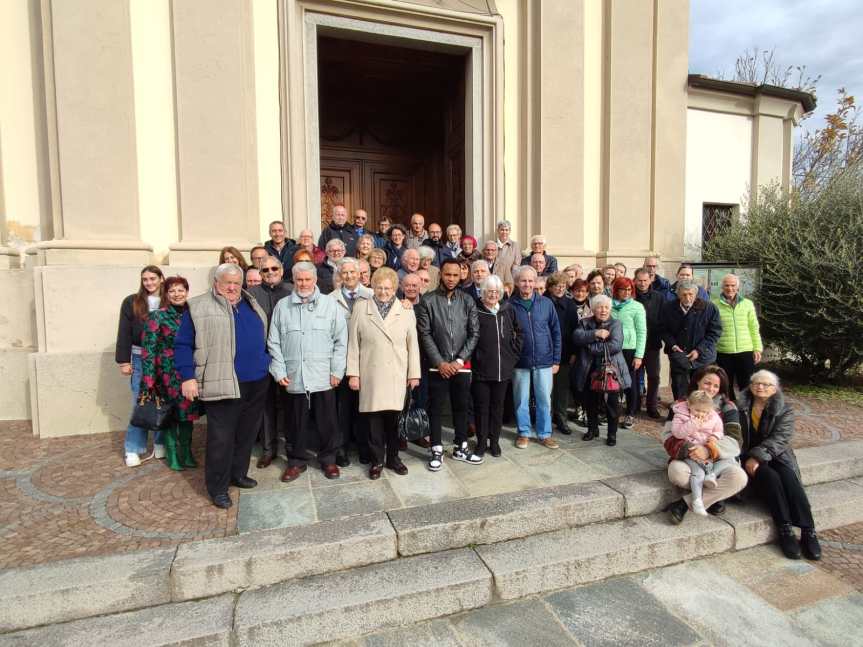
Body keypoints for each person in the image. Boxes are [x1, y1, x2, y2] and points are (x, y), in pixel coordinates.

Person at [175, 263, 270, 509]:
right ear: (216, 283)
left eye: (236, 283)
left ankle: (237, 474)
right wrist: (187, 376)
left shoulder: (250, 303)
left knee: (247, 434)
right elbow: (183, 344)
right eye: (227, 282)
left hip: (256, 381)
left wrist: (265, 362)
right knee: (221, 438)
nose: (232, 287)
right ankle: (218, 487)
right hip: (222, 381)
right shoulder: (198, 307)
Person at [269, 262, 347, 482]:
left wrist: (337, 371)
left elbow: (341, 341)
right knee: (295, 422)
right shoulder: (282, 307)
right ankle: (296, 461)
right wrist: (279, 369)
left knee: (327, 421)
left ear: (315, 280)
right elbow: (273, 341)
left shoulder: (330, 305)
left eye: (307, 279)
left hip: (323, 374)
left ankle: (328, 459)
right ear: (293, 280)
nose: (303, 283)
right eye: (299, 280)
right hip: (294, 374)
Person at [736, 370, 822, 560]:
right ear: (750, 386)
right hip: (747, 455)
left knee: (789, 478)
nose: (761, 387)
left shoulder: (784, 409)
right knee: (770, 478)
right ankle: (785, 528)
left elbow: (781, 438)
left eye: (767, 384)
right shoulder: (739, 406)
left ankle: (809, 530)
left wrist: (758, 457)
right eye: (757, 383)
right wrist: (751, 458)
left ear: (775, 388)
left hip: (777, 455)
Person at [347, 267, 421, 479]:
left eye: (388, 288)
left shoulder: (406, 309)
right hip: (370, 373)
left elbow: (413, 345)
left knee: (394, 420)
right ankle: (377, 460)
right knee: (373, 422)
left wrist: (413, 374)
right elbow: (353, 343)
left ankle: (394, 458)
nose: (383, 291)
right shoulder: (362, 308)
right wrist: (353, 373)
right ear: (372, 286)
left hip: (397, 373)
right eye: (379, 287)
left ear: (395, 288)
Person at [415, 258, 480, 471]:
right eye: (447, 274)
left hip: (462, 366)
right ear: (440, 275)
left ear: (461, 275)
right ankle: (436, 448)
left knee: (461, 407)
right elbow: (424, 333)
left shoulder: (467, 300)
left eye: (455, 274)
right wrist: (440, 362)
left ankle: (460, 446)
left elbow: (474, 333)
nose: (451, 278)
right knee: (436, 408)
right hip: (437, 366)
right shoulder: (428, 300)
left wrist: (459, 360)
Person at [663, 365, 749, 524]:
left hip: (718, 460)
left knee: (739, 477)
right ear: (697, 382)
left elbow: (735, 441)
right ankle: (715, 496)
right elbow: (668, 437)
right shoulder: (681, 404)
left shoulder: (728, 407)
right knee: (676, 473)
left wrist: (709, 450)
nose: (711, 388)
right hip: (689, 458)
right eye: (707, 383)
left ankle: (683, 505)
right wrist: (692, 450)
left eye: (716, 385)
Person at [140, 276, 203, 471]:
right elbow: (148, 349)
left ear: (187, 291)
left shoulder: (193, 313)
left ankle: (186, 451)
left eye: (181, 290)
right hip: (165, 374)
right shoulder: (157, 316)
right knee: (171, 416)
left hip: (187, 373)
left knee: (188, 414)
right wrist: (149, 379)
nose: (177, 294)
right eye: (172, 291)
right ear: (166, 294)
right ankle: (173, 454)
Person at [116, 265, 166, 467]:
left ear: (161, 279)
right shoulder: (132, 302)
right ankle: (133, 448)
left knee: (163, 401)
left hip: (164, 359)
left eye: (153, 278)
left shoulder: (169, 299)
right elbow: (124, 331)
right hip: (140, 358)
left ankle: (161, 443)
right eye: (145, 279)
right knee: (141, 402)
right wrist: (124, 361)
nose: (149, 283)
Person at [247, 256, 293, 468]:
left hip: (290, 357)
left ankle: (293, 449)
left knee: (291, 404)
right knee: (266, 407)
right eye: (265, 270)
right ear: (260, 272)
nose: (270, 272)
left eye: (274, 268)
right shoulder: (251, 295)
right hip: (263, 357)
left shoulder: (293, 290)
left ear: (282, 270)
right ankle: (269, 449)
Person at [471, 275, 522, 460]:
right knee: (481, 408)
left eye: (496, 292)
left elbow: (519, 332)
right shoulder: (475, 310)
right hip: (481, 370)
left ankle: (494, 442)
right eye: (489, 291)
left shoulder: (508, 310)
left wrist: (513, 355)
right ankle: (481, 442)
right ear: (483, 293)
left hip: (503, 369)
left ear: (500, 293)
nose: (493, 295)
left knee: (497, 408)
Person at [510, 266, 561, 449]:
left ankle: (544, 434)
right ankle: (523, 433)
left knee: (544, 399)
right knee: (521, 399)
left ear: (535, 282)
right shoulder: (510, 305)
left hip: (544, 361)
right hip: (520, 362)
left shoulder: (546, 303)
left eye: (531, 280)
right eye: (523, 280)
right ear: (517, 282)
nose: (527, 284)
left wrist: (556, 359)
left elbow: (556, 332)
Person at [329, 258, 373, 467]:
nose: (348, 276)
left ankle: (365, 448)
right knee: (342, 409)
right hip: (341, 362)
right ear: (340, 275)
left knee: (365, 408)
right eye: (344, 273)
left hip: (366, 362)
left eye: (352, 273)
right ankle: (341, 448)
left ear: (359, 274)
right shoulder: (330, 299)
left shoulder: (371, 295)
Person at [571, 294, 629, 446]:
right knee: (590, 402)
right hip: (589, 368)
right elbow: (577, 337)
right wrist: (595, 333)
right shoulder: (585, 323)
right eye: (599, 307)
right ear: (593, 309)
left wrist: (590, 346)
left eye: (606, 307)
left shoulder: (616, 324)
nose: (603, 310)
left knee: (612, 404)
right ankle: (592, 429)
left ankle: (611, 434)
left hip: (611, 370)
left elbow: (615, 345)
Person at [659, 280, 722, 400]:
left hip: (703, 356)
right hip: (679, 354)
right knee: (679, 387)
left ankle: (702, 414)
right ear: (678, 294)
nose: (687, 298)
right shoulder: (668, 308)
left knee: (703, 388)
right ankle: (679, 413)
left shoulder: (709, 308)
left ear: (696, 294)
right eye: (684, 294)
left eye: (690, 294)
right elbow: (663, 330)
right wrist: (672, 345)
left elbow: (715, 332)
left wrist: (699, 350)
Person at [670, 390, 730, 515]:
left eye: (705, 412)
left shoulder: (713, 415)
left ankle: (705, 484)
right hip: (691, 451)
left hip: (707, 449)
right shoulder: (680, 415)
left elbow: (719, 429)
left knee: (726, 462)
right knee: (699, 472)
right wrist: (693, 424)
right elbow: (677, 433)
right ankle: (699, 496)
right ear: (689, 404)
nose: (701, 414)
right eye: (697, 410)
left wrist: (714, 437)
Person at [715, 273, 763, 396]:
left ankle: (746, 409)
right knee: (725, 384)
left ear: (738, 287)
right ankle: (729, 409)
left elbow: (754, 327)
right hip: (724, 351)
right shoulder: (714, 305)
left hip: (745, 350)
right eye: (726, 285)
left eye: (733, 285)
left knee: (747, 384)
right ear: (722, 287)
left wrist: (757, 348)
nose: (730, 288)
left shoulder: (747, 304)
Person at [610, 277, 646, 429]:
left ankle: (631, 413)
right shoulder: (609, 305)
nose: (626, 292)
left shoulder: (637, 306)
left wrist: (639, 355)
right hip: (612, 348)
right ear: (616, 290)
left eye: (629, 290)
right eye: (623, 289)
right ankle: (612, 412)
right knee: (612, 382)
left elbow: (642, 331)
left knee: (629, 383)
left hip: (629, 349)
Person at [546, 272, 578, 435]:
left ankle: (561, 419)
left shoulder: (570, 305)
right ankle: (547, 419)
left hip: (564, 352)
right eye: (556, 285)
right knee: (546, 390)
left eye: (563, 286)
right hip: (545, 352)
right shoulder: (543, 301)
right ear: (550, 287)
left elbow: (574, 330)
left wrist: (573, 352)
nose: (560, 288)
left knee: (562, 389)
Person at [634, 267, 665, 419]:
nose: (642, 283)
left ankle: (652, 406)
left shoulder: (659, 297)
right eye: (639, 280)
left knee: (654, 376)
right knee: (634, 376)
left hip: (652, 343)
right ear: (635, 280)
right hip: (634, 344)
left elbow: (663, 319)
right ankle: (635, 404)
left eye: (645, 280)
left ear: (650, 280)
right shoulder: (631, 296)